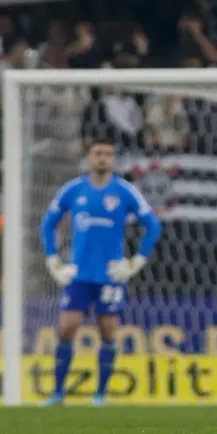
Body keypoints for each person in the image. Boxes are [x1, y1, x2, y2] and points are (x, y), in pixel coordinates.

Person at [40, 138, 162, 406]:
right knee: (67, 328)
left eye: (108, 153)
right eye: (98, 153)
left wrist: (136, 262)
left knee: (108, 331)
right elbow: (48, 224)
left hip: (110, 275)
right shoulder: (73, 190)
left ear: (114, 159)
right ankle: (58, 393)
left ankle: (100, 395)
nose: (103, 158)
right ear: (89, 158)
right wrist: (53, 260)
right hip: (79, 274)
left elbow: (153, 225)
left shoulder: (125, 191)